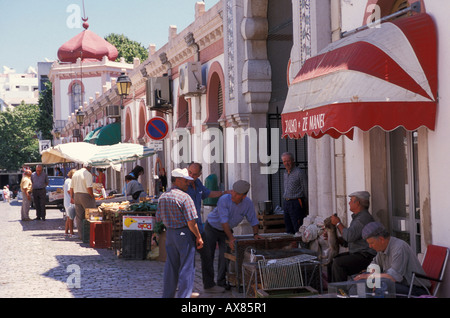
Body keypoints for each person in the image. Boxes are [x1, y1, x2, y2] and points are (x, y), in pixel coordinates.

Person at [204, 180, 263, 288]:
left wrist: (256, 234)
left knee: (225, 256)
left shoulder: (247, 203)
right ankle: (208, 283)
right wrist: (231, 238)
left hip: (226, 230)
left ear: (243, 196)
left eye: (236, 194)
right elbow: (224, 222)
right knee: (208, 255)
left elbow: (253, 220)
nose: (233, 195)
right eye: (233, 191)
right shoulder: (224, 199)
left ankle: (221, 282)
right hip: (212, 227)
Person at [156, 168, 203, 298]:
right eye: (185, 180)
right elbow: (191, 222)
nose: (188, 183)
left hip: (170, 234)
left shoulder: (163, 196)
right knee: (187, 267)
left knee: (171, 267)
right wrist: (199, 237)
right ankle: (184, 296)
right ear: (177, 181)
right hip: (184, 234)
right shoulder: (185, 197)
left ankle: (168, 295)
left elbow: (158, 218)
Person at [186, 162, 231, 293]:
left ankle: (209, 285)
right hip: (186, 227)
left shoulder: (198, 183)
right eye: (190, 172)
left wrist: (224, 193)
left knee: (206, 255)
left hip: (199, 227)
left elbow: (207, 193)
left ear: (199, 174)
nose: (191, 176)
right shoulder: (183, 185)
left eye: (194, 174)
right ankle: (186, 287)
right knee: (187, 258)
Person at [354, 221, 431, 297]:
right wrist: (370, 273)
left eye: (371, 243)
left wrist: (372, 277)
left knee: (381, 286)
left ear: (381, 239)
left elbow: (393, 277)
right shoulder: (382, 249)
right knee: (362, 281)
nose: (370, 246)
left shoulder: (399, 248)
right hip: (399, 286)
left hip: (415, 289)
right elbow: (374, 264)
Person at [329, 191, 377, 282]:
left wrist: (338, 223)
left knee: (338, 264)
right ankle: (333, 289)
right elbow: (349, 241)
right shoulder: (358, 218)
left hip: (365, 256)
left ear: (357, 203)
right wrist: (334, 239)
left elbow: (349, 236)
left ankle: (340, 291)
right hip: (357, 254)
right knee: (333, 261)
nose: (349, 203)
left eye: (351, 200)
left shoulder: (363, 218)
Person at [281, 152, 308, 234]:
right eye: (284, 161)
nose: (286, 163)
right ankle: (292, 246)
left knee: (298, 227)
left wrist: (306, 205)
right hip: (286, 203)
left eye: (288, 161)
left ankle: (299, 245)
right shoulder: (285, 173)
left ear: (293, 160)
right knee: (288, 228)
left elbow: (305, 188)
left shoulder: (299, 172)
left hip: (296, 203)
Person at [70, 164, 96, 239]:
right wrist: (92, 196)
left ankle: (81, 235)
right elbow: (89, 187)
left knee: (79, 217)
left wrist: (72, 197)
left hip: (76, 195)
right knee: (92, 215)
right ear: (89, 167)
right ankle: (91, 235)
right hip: (85, 195)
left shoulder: (76, 173)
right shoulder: (87, 174)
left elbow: (71, 188)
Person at [64, 169, 77, 238]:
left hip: (67, 201)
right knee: (71, 218)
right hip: (70, 201)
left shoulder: (67, 180)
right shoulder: (70, 181)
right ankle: (71, 233)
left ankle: (66, 232)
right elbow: (69, 190)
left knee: (68, 217)